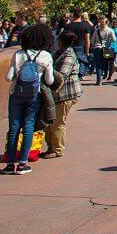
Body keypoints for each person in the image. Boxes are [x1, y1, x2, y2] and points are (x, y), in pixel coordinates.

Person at [3, 23, 54, 175]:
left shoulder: (19, 54)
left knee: (13, 127)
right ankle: (22, 163)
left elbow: (8, 77)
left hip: (16, 94)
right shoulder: (45, 56)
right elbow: (50, 80)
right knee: (28, 126)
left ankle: (10, 163)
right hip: (34, 95)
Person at [43, 30, 83, 159]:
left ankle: (58, 149)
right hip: (56, 94)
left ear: (60, 41)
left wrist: (48, 70)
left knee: (58, 122)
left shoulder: (69, 56)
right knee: (48, 123)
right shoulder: (58, 53)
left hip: (66, 94)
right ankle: (51, 148)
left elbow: (62, 75)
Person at [63, 9, 93, 79]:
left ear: (73, 15)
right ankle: (79, 75)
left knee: (70, 62)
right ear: (81, 15)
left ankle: (71, 75)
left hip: (70, 46)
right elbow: (87, 40)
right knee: (82, 61)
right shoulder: (85, 25)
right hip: (80, 46)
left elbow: (65, 37)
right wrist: (87, 51)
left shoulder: (69, 26)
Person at [91, 15, 117, 86]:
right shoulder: (110, 30)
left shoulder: (97, 30)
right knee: (103, 64)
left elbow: (92, 41)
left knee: (98, 65)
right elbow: (114, 39)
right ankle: (101, 77)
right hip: (106, 49)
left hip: (97, 48)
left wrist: (94, 44)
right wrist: (108, 42)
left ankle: (99, 80)